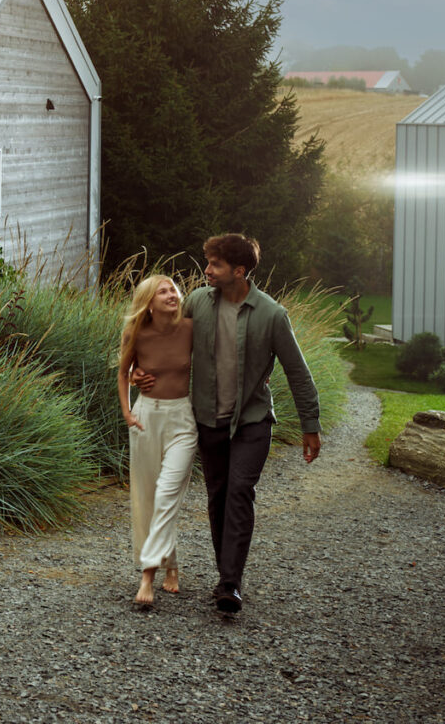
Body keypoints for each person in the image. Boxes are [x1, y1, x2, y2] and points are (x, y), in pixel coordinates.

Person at [135, 233, 321, 614]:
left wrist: (310, 424)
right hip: (208, 420)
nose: (207, 270)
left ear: (239, 270)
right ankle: (226, 575)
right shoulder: (198, 302)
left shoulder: (272, 315)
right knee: (218, 495)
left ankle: (230, 583)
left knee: (239, 491)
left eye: (215, 265)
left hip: (253, 421)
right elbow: (166, 338)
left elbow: (298, 372)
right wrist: (139, 369)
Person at [117, 274, 196, 607]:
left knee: (166, 493)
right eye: (162, 291)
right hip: (146, 417)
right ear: (149, 302)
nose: (171, 294)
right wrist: (127, 412)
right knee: (148, 497)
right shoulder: (136, 332)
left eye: (173, 289)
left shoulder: (191, 328)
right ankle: (171, 565)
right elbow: (123, 372)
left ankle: (147, 575)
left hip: (183, 420)